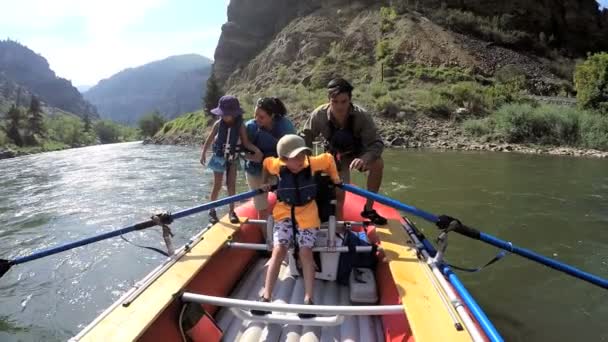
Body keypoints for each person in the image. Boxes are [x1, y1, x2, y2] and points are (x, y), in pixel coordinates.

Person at [252, 134, 340, 317]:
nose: (301, 160)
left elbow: (329, 159)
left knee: (306, 251)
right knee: (278, 250)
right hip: (284, 213)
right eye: (296, 157)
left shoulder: (312, 163)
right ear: (284, 159)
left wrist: (336, 179)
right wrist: (265, 182)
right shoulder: (277, 165)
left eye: (302, 155)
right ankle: (266, 297)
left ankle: (309, 299)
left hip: (307, 214)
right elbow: (266, 163)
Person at [301, 78, 387, 225]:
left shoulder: (362, 116)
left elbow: (376, 144)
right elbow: (305, 137)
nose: (339, 107)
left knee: (378, 163)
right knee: (339, 194)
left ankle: (368, 208)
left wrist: (365, 158)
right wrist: (305, 161)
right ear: (329, 100)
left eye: (344, 101)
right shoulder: (319, 115)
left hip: (359, 154)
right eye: (335, 102)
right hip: (335, 156)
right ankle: (338, 228)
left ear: (350, 100)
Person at [200, 95, 262, 224]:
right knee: (217, 185)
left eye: (227, 114)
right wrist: (203, 153)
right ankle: (212, 210)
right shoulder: (218, 124)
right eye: (222, 114)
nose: (224, 117)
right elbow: (210, 139)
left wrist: (256, 150)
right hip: (219, 157)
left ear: (234, 114)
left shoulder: (240, 126)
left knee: (231, 185)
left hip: (233, 158)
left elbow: (245, 143)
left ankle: (232, 211)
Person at [244, 97, 296, 220]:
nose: (257, 119)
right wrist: (252, 156)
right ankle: (267, 237)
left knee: (288, 201)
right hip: (255, 170)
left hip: (280, 169)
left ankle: (288, 229)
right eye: (255, 115)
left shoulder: (285, 126)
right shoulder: (250, 127)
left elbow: (294, 151)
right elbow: (239, 152)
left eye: (261, 117)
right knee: (261, 206)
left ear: (272, 116)